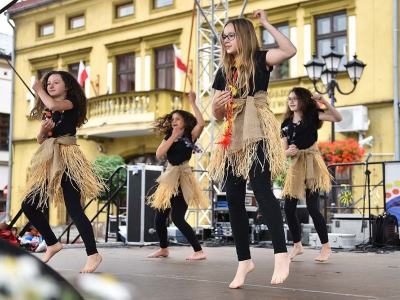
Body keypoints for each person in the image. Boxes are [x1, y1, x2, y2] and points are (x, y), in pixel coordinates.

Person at [208, 10, 297, 288]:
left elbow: (289, 50)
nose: (225, 40)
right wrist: (216, 107)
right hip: (234, 133)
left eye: (231, 35)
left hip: (257, 129)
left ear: (244, 36)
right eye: (223, 37)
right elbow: (216, 115)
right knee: (233, 197)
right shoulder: (223, 72)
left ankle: (281, 254)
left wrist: (266, 23)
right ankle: (243, 260)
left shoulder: (261, 59)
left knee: (261, 189)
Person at [20, 70, 106, 273]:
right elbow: (42, 139)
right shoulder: (50, 112)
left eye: (55, 82)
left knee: (74, 208)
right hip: (50, 158)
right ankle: (52, 243)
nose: (50, 85)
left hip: (68, 159)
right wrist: (42, 130)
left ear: (66, 86)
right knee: (28, 205)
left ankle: (93, 254)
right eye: (47, 83)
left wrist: (39, 89)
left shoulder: (70, 103)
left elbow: (52, 103)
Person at [281, 87, 342, 262]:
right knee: (289, 208)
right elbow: (283, 150)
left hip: (312, 162)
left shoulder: (313, 115)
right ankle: (297, 246)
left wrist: (324, 101)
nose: (291, 101)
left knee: (312, 207)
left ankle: (326, 247)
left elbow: (338, 118)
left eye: (295, 98)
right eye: (289, 98)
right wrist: (287, 153)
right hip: (296, 164)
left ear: (303, 100)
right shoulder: (285, 123)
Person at [146, 91, 209, 260]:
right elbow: (159, 154)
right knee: (159, 217)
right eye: (172, 119)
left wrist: (193, 102)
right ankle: (164, 248)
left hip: (183, 178)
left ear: (184, 122)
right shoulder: (169, 137)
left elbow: (201, 123)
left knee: (178, 218)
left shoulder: (190, 136)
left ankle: (199, 251)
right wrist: (172, 137)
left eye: (177, 119)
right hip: (169, 178)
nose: (174, 121)